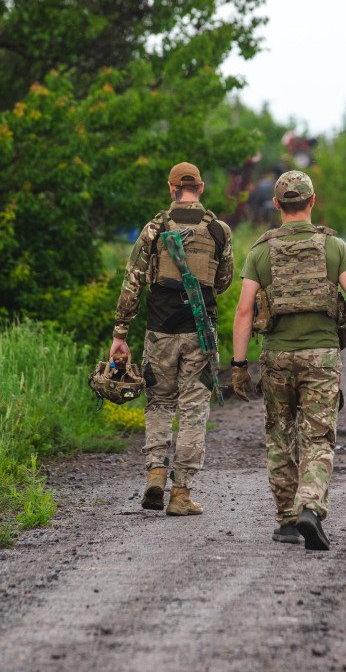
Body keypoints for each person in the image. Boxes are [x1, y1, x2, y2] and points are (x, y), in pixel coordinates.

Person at [230, 171, 346, 550]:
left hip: (276, 357)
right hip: (322, 354)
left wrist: (239, 365)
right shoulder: (334, 247)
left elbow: (244, 312)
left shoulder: (260, 251)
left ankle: (288, 520)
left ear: (276, 205)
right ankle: (310, 505)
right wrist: (345, 337)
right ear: (312, 201)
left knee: (280, 434)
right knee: (318, 436)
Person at [109, 162, 234, 516]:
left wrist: (120, 333)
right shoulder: (220, 230)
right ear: (202, 187)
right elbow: (223, 282)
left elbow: (132, 281)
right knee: (194, 410)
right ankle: (180, 494)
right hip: (200, 333)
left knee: (159, 403)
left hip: (159, 331)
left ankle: (155, 474)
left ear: (171, 187)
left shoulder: (154, 228)